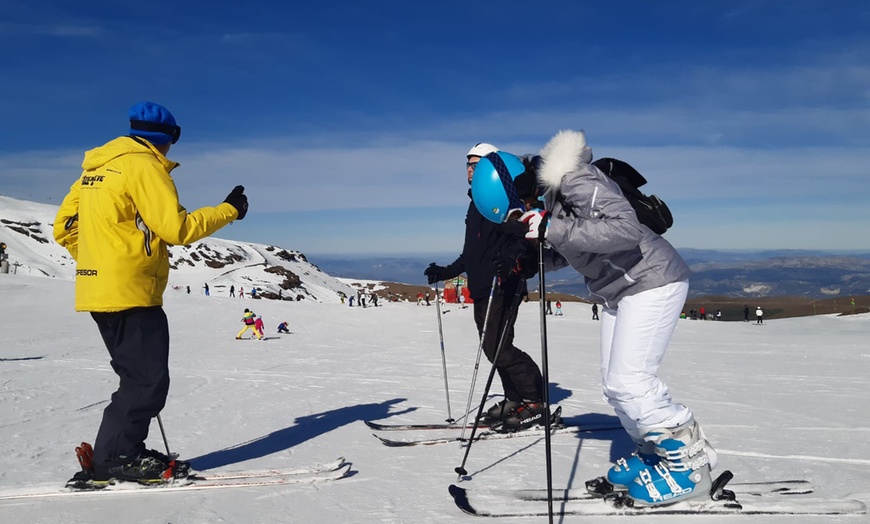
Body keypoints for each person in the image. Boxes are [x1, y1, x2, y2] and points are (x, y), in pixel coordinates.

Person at [471, 131, 716, 506]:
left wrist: (551, 228)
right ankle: (654, 453)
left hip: (652, 279)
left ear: (518, 187)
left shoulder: (573, 178)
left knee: (631, 381)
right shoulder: (546, 198)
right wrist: (529, 260)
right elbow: (575, 246)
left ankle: (690, 466)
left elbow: (625, 229)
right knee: (615, 385)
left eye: (518, 211)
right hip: (619, 289)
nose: (521, 218)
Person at [53, 101, 247, 484]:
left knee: (137, 378)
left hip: (100, 289)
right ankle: (119, 458)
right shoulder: (144, 165)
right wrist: (229, 210)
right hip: (132, 290)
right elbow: (176, 229)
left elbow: (64, 227)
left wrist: (100, 259)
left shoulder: (95, 169)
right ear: (168, 138)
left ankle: (116, 453)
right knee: (147, 381)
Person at [424, 143, 546, 431]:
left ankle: (534, 401)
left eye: (476, 164)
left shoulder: (505, 198)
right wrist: (447, 271)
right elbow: (473, 252)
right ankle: (515, 399)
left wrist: (511, 259)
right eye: (468, 163)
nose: (470, 168)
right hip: (483, 286)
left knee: (497, 348)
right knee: (496, 348)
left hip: (503, 284)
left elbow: (519, 233)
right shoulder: (478, 202)